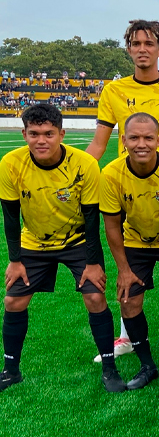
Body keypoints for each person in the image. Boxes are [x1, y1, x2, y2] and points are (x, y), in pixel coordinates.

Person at [85, 19, 159, 362]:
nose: (143, 49)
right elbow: (99, 144)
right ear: (129, 49)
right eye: (136, 43)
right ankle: (125, 336)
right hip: (127, 191)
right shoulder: (114, 91)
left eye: (150, 43)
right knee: (128, 280)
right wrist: (76, 175)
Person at [0, 105, 125, 392]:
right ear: (24, 134)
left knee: (95, 298)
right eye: (33, 134)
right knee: (13, 302)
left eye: (48, 133)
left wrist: (93, 263)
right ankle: (10, 370)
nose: (40, 140)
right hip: (33, 241)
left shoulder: (84, 164)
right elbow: (9, 215)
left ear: (61, 134)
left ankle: (109, 369)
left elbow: (93, 217)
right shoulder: (10, 164)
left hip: (77, 241)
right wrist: (15, 260)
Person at [100, 113, 159, 392]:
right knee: (128, 302)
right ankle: (147, 366)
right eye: (135, 138)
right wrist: (123, 270)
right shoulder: (112, 174)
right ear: (124, 140)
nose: (141, 144)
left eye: (148, 138)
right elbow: (112, 226)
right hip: (136, 241)